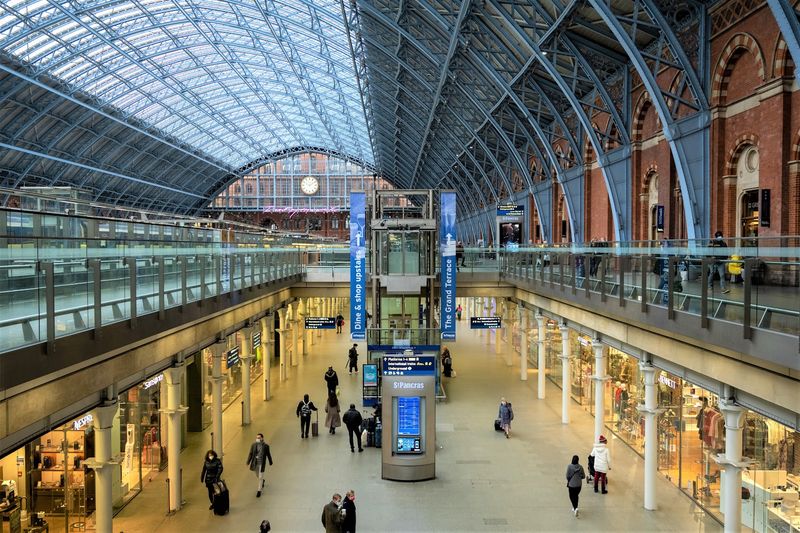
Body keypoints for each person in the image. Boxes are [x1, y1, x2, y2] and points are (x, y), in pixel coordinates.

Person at [246, 433, 273, 497]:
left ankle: (259, 491)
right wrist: (248, 461)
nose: (257, 439)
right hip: (255, 463)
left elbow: (268, 454)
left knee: (260, 477)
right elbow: (250, 453)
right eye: (257, 438)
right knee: (257, 475)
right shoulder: (253, 445)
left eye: (259, 437)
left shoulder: (266, 446)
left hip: (261, 463)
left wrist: (270, 461)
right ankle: (263, 480)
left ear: (262, 438)